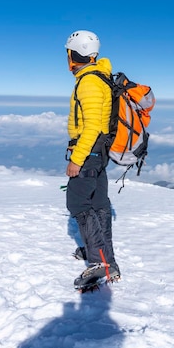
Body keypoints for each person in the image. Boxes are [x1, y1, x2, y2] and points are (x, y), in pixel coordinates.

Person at [65, 30, 120, 289]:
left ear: (74, 52)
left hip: (90, 153)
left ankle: (98, 264)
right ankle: (107, 259)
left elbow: (92, 127)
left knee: (78, 203)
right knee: (99, 204)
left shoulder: (89, 82)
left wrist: (77, 159)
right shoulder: (101, 78)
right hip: (101, 153)